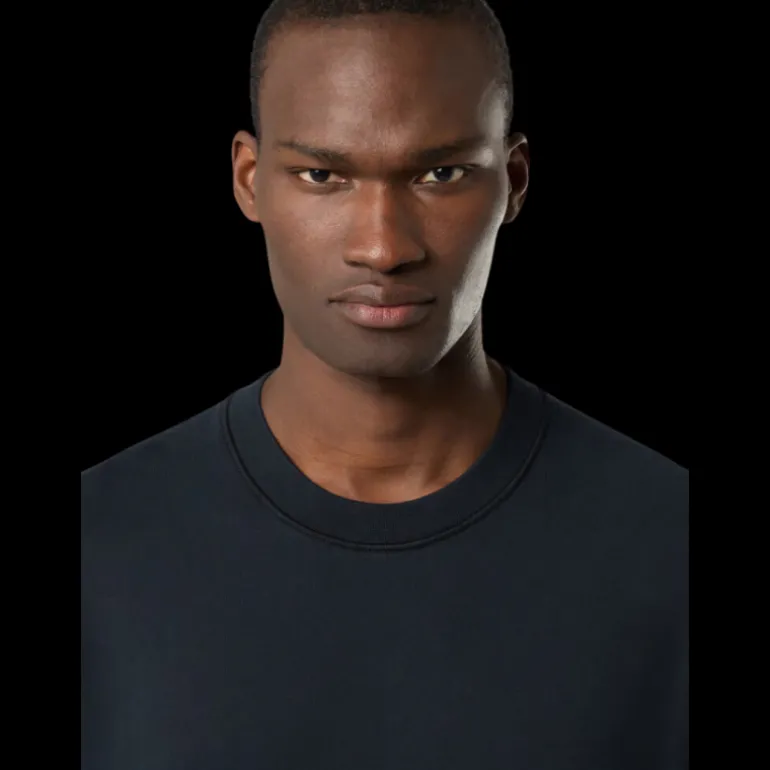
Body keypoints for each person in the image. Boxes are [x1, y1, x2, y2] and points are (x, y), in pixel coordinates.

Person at [81, 0, 688, 767]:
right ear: (249, 180)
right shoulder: (98, 543)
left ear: (514, 181)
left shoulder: (670, 542)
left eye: (440, 174)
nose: (382, 246)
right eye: (323, 175)